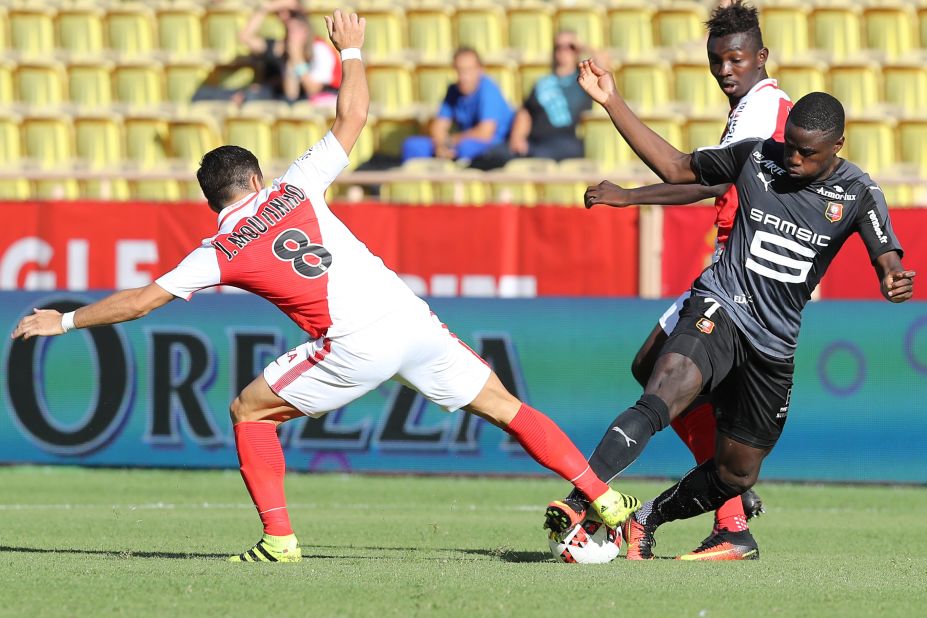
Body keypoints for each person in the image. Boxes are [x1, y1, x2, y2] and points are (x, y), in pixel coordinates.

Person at [11, 10, 638, 564]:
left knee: (247, 411)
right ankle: (605, 497)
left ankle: (279, 540)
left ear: (213, 202)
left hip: (351, 342)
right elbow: (355, 113)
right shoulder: (295, 185)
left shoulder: (218, 248)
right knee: (506, 407)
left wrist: (65, 321)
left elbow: (143, 301)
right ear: (255, 177)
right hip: (411, 317)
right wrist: (351, 51)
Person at [544, 55, 915, 561]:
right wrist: (612, 101)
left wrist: (893, 277)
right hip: (721, 305)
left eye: (807, 154)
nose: (793, 161)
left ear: (837, 147)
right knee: (662, 388)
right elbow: (677, 167)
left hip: (774, 345)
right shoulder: (755, 156)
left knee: (737, 471)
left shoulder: (859, 193)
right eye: (791, 147)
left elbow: (886, 256)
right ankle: (581, 496)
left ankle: (646, 520)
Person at [556, 0, 791, 561]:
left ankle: (716, 509)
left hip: (744, 281)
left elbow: (684, 170)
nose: (725, 71)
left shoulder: (764, 109)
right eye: (716, 61)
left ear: (761, 58)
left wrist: (613, 104)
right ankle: (732, 509)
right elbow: (712, 182)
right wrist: (633, 198)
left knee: (669, 384)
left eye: (736, 59)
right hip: (732, 271)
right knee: (652, 368)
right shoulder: (749, 112)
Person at [470, 30, 591, 170]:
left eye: (570, 46)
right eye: (559, 46)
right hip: (535, 142)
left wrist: (583, 47)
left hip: (565, 140)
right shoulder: (542, 83)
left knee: (552, 153)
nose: (563, 51)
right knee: (494, 154)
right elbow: (526, 111)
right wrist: (517, 138)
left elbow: (604, 64)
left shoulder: (585, 80)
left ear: (577, 50)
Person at [401, 47, 514, 163]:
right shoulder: (453, 90)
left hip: (494, 146)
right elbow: (438, 127)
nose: (463, 77)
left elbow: (485, 133)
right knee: (412, 146)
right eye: (459, 71)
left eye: (468, 70)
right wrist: (440, 146)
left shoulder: (489, 90)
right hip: (459, 143)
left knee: (467, 148)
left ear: (480, 70)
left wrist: (450, 141)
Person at [235, 0, 341, 104]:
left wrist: (297, 58)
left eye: (291, 13)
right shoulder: (282, 47)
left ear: (305, 29)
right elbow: (290, 94)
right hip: (289, 100)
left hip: (322, 101)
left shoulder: (319, 49)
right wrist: (266, 8)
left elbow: (312, 90)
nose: (284, 16)